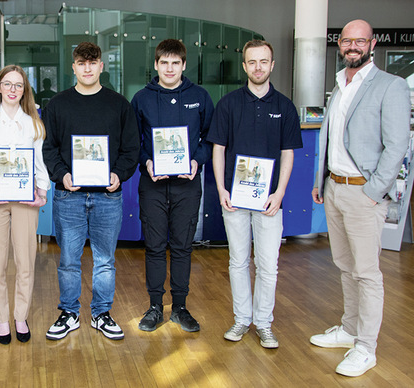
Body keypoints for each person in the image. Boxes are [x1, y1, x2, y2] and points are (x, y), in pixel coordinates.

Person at [310, 19, 410, 377]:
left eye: (360, 41)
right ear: (340, 44)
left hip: (363, 193)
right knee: (344, 264)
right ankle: (349, 329)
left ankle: (366, 347)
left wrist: (374, 191)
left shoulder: (391, 86)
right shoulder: (340, 85)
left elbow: (397, 145)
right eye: (347, 41)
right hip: (335, 189)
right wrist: (321, 181)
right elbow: (331, 138)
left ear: (373, 43)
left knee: (367, 273)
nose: (353, 46)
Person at [208, 39, 302, 349]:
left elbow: (288, 154)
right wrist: (222, 188)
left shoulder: (285, 107)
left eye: (264, 61)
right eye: (252, 62)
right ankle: (241, 320)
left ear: (272, 65)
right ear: (245, 66)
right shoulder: (228, 104)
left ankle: (264, 323)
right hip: (234, 199)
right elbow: (218, 150)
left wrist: (279, 192)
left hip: (269, 202)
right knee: (238, 262)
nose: (258, 67)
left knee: (268, 265)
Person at [42, 42, 139, 341]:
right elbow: (49, 149)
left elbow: (131, 149)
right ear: (73, 66)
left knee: (105, 260)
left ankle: (101, 313)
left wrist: (118, 174)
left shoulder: (119, 104)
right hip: (68, 195)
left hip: (108, 196)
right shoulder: (58, 105)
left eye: (92, 62)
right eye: (81, 63)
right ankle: (69, 312)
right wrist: (63, 175)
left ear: (101, 66)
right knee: (69, 259)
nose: (87, 68)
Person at [131, 39, 214, 332]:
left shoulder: (200, 97)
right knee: (154, 247)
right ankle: (155, 306)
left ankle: (180, 307)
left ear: (183, 65)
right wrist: (147, 163)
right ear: (156, 65)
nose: (169, 68)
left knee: (182, 247)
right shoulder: (141, 99)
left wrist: (197, 161)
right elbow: (133, 142)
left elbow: (210, 138)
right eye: (164, 63)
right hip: (152, 184)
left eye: (175, 63)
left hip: (187, 185)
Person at [0, 65, 50, 345]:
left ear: (24, 91)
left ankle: (21, 315)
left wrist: (41, 191)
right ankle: (2, 319)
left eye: (18, 85)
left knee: (25, 259)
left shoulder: (33, 123)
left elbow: (40, 162)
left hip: (24, 189)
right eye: (7, 84)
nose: (12, 90)